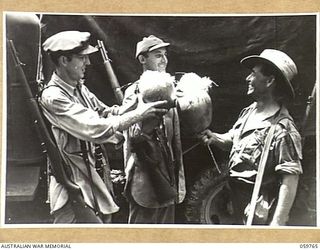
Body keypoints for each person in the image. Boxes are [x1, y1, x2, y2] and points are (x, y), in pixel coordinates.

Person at [39, 31, 168, 223]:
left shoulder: (79, 88)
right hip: (73, 184)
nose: (88, 63)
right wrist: (140, 114)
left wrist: (139, 102)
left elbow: (108, 113)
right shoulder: (54, 97)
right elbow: (96, 128)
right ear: (64, 60)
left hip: (94, 179)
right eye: (82, 58)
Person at [200, 49, 303, 226]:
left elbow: (290, 178)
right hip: (234, 200)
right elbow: (235, 139)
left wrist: (277, 223)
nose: (248, 79)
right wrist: (216, 138)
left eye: (253, 74)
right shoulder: (249, 111)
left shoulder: (283, 128)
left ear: (270, 81)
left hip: (258, 208)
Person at [122, 35, 186, 223]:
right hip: (145, 175)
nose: (164, 60)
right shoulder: (135, 92)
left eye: (165, 55)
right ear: (142, 59)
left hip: (167, 175)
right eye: (158, 55)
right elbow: (133, 136)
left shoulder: (172, 89)